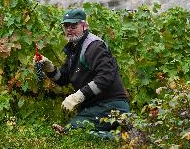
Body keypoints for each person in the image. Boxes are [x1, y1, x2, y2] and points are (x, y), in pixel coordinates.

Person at [34, 8, 129, 136]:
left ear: (84, 26)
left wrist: (78, 96)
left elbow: (106, 77)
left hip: (112, 106)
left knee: (75, 131)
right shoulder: (74, 49)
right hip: (97, 107)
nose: (69, 29)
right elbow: (63, 78)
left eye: (74, 25)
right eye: (66, 26)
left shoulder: (94, 46)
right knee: (75, 130)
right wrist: (50, 68)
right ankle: (119, 134)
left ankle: (125, 138)